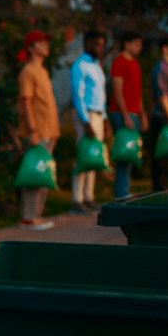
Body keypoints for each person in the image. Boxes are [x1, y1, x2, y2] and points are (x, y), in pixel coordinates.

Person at [16, 30, 60, 230]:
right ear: (30, 48)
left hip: (49, 131)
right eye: (40, 43)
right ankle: (28, 217)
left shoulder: (43, 71)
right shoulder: (28, 71)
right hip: (37, 131)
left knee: (44, 175)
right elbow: (26, 101)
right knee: (33, 174)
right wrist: (33, 129)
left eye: (45, 42)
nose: (45, 46)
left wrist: (55, 131)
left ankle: (37, 215)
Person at [69, 30, 108, 215]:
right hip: (87, 116)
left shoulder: (96, 65)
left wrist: (105, 119)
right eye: (97, 44)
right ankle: (76, 200)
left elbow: (101, 94)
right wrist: (86, 121)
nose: (100, 48)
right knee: (83, 157)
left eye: (102, 45)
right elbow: (78, 95)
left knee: (94, 157)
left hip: (99, 115)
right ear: (87, 43)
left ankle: (88, 197)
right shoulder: (80, 65)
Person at [108, 31, 149, 199]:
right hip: (121, 112)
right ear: (127, 43)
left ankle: (126, 189)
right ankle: (121, 192)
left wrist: (143, 114)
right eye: (136, 43)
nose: (139, 47)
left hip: (134, 112)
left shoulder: (135, 63)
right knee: (123, 151)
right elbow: (117, 92)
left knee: (131, 151)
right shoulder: (119, 62)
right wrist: (125, 116)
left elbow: (137, 92)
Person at [147, 36, 168, 192]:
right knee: (160, 154)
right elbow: (162, 94)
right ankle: (158, 187)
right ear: (164, 48)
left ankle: (163, 184)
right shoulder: (160, 68)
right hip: (162, 116)